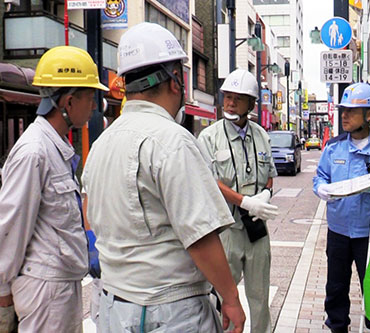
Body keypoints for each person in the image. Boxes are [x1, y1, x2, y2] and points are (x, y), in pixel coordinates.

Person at [81, 22, 245, 333]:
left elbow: (89, 215)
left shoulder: (103, 142)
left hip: (115, 307)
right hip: (171, 310)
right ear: (175, 81)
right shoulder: (173, 141)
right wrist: (231, 297)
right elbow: (200, 236)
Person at [0, 45, 109, 332]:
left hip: (60, 286)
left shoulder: (54, 148)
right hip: (45, 290)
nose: (94, 106)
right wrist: (2, 296)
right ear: (69, 102)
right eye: (90, 97)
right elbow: (9, 227)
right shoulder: (34, 152)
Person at [198, 68, 279, 333]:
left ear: (251, 104)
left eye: (237, 98)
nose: (230, 103)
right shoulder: (209, 138)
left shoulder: (262, 136)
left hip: (257, 229)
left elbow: (269, 175)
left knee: (260, 296)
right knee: (226, 297)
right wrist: (244, 202)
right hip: (226, 230)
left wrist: (265, 194)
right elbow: (210, 182)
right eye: (227, 97)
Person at [313, 82, 370, 333]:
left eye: (351, 112)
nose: (344, 116)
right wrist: (321, 188)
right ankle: (337, 327)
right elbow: (320, 176)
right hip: (339, 232)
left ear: (369, 115)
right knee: (335, 287)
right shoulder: (334, 147)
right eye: (342, 110)